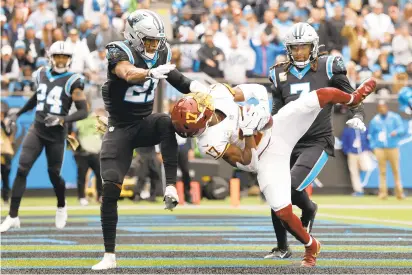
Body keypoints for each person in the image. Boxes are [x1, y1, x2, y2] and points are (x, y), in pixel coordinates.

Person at [171, 78, 377, 267]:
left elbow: (258, 90)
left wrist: (260, 111)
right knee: (283, 212)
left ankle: (353, 98)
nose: (194, 134)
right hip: (263, 158)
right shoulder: (209, 142)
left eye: (193, 128)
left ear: (205, 113)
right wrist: (249, 132)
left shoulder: (219, 93)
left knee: (319, 96)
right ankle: (311, 245)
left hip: (277, 129)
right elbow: (248, 163)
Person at [91, 10, 207, 270]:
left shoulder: (162, 52)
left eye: (157, 41)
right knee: (110, 187)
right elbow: (127, 73)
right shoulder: (118, 51)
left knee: (165, 120)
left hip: (144, 123)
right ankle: (109, 255)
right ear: (133, 37)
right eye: (149, 41)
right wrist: (149, 73)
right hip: (119, 128)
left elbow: (176, 78)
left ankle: (170, 186)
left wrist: (200, 88)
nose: (154, 46)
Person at [266, 22, 366, 259]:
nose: (299, 53)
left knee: (287, 187)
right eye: (295, 48)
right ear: (289, 49)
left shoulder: (328, 66)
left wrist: (359, 114)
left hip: (316, 141)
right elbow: (277, 111)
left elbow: (351, 96)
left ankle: (308, 209)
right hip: (288, 140)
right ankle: (282, 247)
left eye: (304, 47)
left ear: (314, 47)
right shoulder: (278, 73)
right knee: (274, 192)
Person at [0, 41, 88, 233]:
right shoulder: (40, 74)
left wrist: (63, 119)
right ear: (51, 57)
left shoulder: (74, 80)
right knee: (22, 169)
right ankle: (12, 216)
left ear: (70, 59)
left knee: (54, 174)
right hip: (37, 129)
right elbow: (36, 98)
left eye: (64, 57)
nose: (61, 60)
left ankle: (61, 205)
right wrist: (19, 112)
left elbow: (84, 111)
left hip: (56, 135)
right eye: (58, 56)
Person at [368, 101, 405, 200]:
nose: (382, 109)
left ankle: (399, 193)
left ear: (387, 107)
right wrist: (374, 146)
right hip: (380, 148)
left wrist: (396, 132)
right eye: (380, 107)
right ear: (378, 109)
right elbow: (370, 135)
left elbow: (402, 128)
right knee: (382, 172)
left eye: (383, 107)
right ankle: (383, 193)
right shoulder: (375, 120)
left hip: (393, 147)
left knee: (396, 170)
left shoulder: (394, 117)